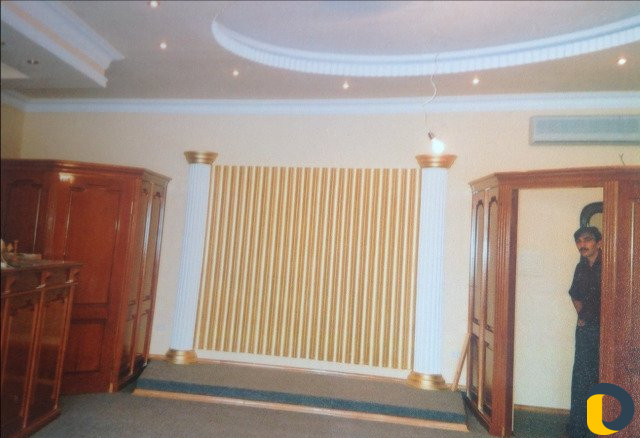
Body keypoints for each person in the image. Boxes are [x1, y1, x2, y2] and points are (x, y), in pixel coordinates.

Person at [567, 226, 602, 438]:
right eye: (579, 241)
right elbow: (574, 294)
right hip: (586, 329)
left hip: (606, 331)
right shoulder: (580, 267)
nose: (582, 245)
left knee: (601, 375)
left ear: (599, 242)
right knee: (581, 377)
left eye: (587, 240)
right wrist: (582, 315)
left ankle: (598, 429)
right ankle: (578, 429)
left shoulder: (609, 265)